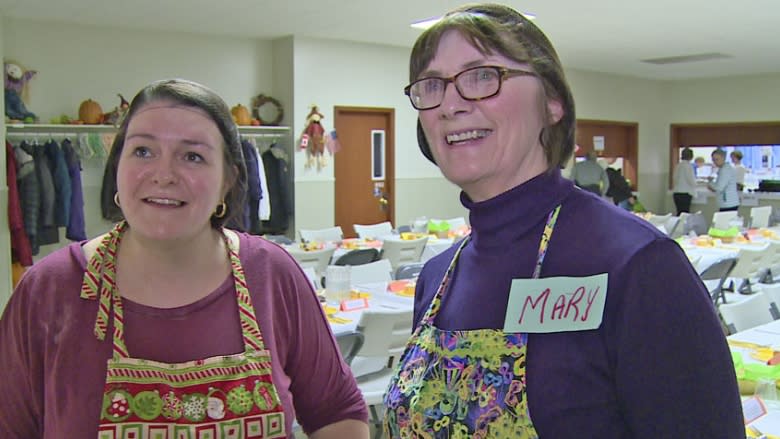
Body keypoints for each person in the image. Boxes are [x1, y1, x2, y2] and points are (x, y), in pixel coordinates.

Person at [386, 4, 743, 438]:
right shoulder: (438, 278)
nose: (451, 104)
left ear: (552, 102)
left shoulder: (638, 266)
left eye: (482, 76)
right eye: (432, 85)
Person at [0, 79, 369, 438]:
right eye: (143, 151)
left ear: (228, 179)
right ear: (118, 168)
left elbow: (337, 413)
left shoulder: (273, 274)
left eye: (193, 156)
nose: (163, 175)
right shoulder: (49, 289)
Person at [672, 147, 697, 214]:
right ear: (691, 156)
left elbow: (674, 178)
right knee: (685, 214)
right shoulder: (688, 166)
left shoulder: (678, 166)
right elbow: (691, 180)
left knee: (679, 213)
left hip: (676, 193)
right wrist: (696, 184)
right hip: (685, 194)